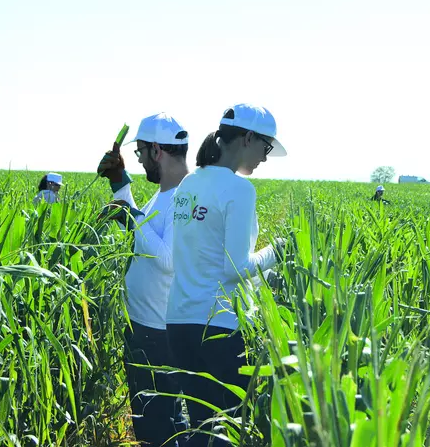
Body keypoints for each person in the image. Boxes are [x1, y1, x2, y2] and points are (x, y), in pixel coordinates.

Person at [166, 103, 287, 447]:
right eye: (264, 148)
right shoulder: (239, 189)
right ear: (248, 138)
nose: (264, 159)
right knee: (230, 430)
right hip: (218, 325)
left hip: (178, 323)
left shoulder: (190, 182)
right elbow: (235, 268)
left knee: (201, 427)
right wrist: (278, 250)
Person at [97, 113, 190, 447]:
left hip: (159, 335)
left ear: (156, 151)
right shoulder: (164, 196)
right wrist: (120, 184)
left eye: (139, 155)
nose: (140, 162)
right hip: (146, 329)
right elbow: (145, 233)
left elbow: (166, 259)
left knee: (162, 427)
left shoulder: (185, 197)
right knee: (153, 423)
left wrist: (129, 215)